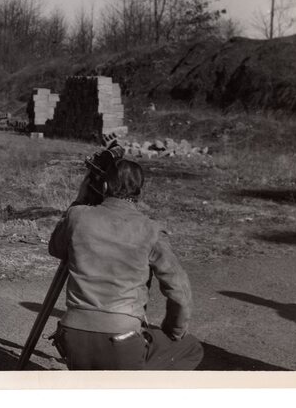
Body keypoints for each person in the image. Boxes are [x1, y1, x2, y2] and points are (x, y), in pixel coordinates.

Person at [48, 156, 204, 370]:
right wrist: (172, 332)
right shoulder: (150, 230)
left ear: (103, 185)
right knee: (191, 348)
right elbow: (180, 291)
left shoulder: (77, 216)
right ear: (140, 191)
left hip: (72, 337)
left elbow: (55, 248)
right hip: (121, 340)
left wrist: (79, 199)